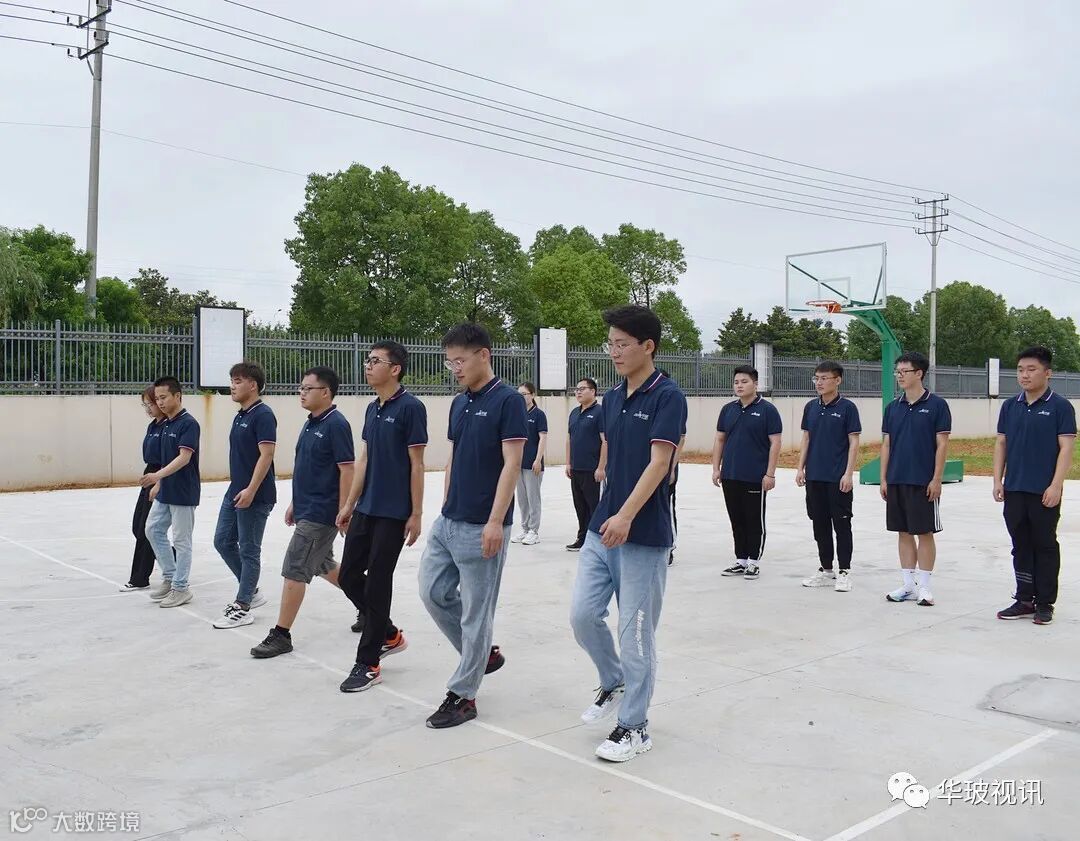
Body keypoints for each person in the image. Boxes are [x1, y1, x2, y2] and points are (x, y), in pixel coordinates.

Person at [570, 305, 687, 763]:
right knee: (583, 616)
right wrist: (608, 509)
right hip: (603, 527)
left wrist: (625, 516)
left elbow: (660, 464)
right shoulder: (614, 397)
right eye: (610, 345)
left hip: (642, 534)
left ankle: (635, 727)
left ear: (648, 346)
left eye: (622, 344)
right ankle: (613, 681)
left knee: (635, 636)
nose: (614, 352)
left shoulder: (668, 397)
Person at [419, 323, 526, 729]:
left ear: (484, 355)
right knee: (433, 593)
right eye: (450, 362)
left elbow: (512, 463)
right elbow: (454, 456)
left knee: (477, 613)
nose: (455, 369)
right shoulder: (459, 402)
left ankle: (464, 695)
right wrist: (445, 506)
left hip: (483, 524)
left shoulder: (508, 401)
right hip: (450, 520)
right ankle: (482, 655)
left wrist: (496, 521)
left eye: (460, 360)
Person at [336, 341, 428, 692]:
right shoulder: (372, 408)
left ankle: (368, 662)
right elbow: (364, 460)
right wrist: (349, 504)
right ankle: (388, 633)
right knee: (348, 576)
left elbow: (417, 464)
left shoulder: (411, 408)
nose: (368, 365)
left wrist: (416, 513)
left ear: (395, 369)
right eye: (367, 360)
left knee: (377, 582)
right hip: (366, 507)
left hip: (393, 512)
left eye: (375, 361)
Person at [250, 367, 355, 658]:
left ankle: (281, 635)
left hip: (323, 512)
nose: (302, 392)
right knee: (324, 565)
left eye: (308, 388)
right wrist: (296, 503)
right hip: (308, 507)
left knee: (295, 568)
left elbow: (347, 469)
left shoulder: (336, 424)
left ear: (326, 392)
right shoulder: (311, 423)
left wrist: (345, 509)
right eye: (301, 388)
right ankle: (370, 604)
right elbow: (308, 467)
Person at [994, 346, 1076, 626]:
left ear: (1047, 373)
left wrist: (1056, 486)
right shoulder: (1010, 406)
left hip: (1044, 490)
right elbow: (1001, 443)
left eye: (1031, 369)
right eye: (1020, 370)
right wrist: (997, 480)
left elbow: (1066, 449)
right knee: (1020, 545)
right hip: (1014, 488)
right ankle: (1024, 598)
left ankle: (1044, 603)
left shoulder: (1060, 407)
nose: (1024, 375)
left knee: (1045, 545)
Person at [881, 351, 951, 607]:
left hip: (923, 481)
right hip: (896, 479)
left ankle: (925, 587)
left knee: (924, 532)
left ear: (919, 373)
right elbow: (887, 444)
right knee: (903, 531)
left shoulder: (937, 405)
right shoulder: (893, 407)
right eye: (897, 372)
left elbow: (942, 445)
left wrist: (937, 479)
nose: (899, 376)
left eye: (904, 371)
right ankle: (908, 585)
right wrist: (884, 478)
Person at [212, 362, 277, 629]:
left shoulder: (263, 415)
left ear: (253, 385)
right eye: (232, 380)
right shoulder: (241, 415)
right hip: (235, 491)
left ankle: (243, 606)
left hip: (255, 494)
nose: (232, 386)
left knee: (249, 550)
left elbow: (267, 454)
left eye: (238, 381)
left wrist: (251, 489)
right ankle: (251, 590)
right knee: (222, 541)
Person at [711, 365, 782, 579]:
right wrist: (716, 468)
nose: (739, 386)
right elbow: (720, 439)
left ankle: (753, 561)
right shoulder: (728, 410)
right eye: (736, 382)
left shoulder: (767, 410)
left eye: (744, 382)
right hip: (730, 475)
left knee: (754, 519)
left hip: (755, 476)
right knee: (736, 518)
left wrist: (770, 474)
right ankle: (740, 560)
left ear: (755, 384)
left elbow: (775, 443)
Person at [798, 361, 862, 592]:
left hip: (838, 477)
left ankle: (844, 571)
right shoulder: (810, 407)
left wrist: (848, 473)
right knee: (820, 524)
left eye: (824, 378)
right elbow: (806, 438)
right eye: (817, 378)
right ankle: (826, 570)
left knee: (842, 525)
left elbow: (854, 442)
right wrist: (800, 468)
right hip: (815, 476)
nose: (819, 382)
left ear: (838, 380)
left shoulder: (848, 408)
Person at [141, 376, 201, 608]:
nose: (160, 402)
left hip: (183, 492)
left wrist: (157, 476)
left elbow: (184, 458)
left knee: (181, 540)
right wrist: (160, 483)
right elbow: (166, 458)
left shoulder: (189, 424)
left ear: (178, 396)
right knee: (153, 529)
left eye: (164, 397)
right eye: (157, 398)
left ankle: (181, 588)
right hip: (166, 489)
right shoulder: (166, 424)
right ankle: (170, 577)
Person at [120, 385, 169, 592]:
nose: (148, 408)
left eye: (151, 403)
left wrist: (159, 481)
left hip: (160, 475)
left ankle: (139, 578)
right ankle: (173, 557)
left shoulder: (168, 426)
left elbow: (171, 458)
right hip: (149, 474)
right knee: (137, 527)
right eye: (145, 404)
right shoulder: (153, 426)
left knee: (146, 529)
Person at [565, 378, 606, 551]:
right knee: (580, 506)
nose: (578, 392)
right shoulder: (574, 413)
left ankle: (596, 541)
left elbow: (605, 441)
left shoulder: (600, 412)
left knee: (594, 507)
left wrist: (601, 467)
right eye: (577, 389)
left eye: (582, 389)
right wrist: (568, 463)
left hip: (592, 469)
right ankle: (582, 538)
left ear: (593, 391)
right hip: (576, 468)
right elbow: (569, 439)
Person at [512, 382, 547, 546]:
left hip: (533, 463)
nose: (521, 397)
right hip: (519, 463)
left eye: (524, 394)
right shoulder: (517, 414)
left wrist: (538, 459)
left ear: (532, 395)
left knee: (533, 499)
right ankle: (525, 528)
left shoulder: (539, 415)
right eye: (519, 394)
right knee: (522, 499)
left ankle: (534, 530)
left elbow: (543, 438)